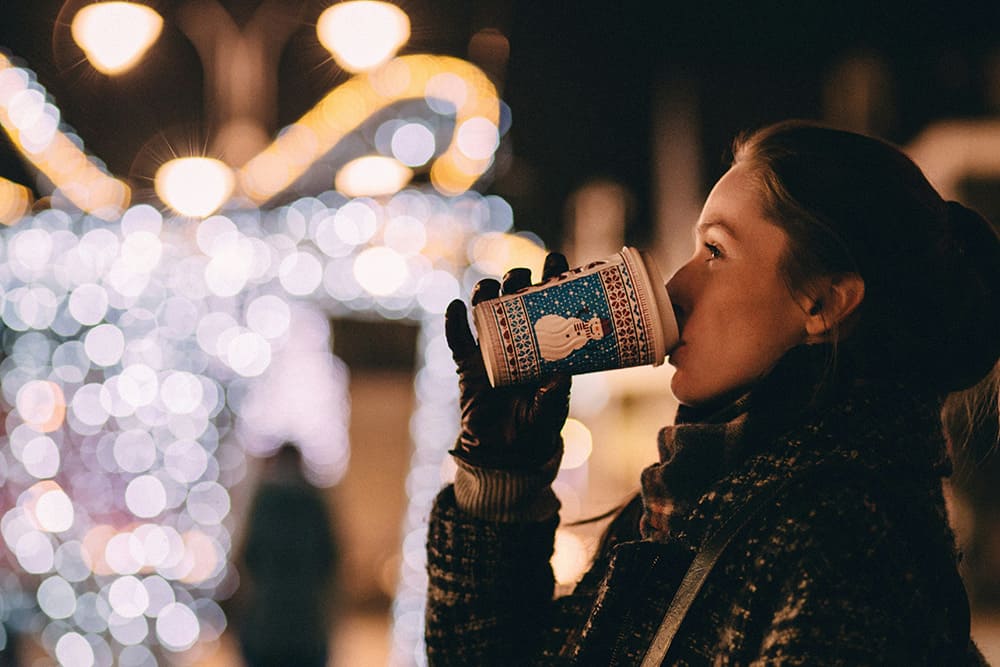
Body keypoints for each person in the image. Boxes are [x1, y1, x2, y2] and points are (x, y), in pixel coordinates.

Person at [425, 119, 1000, 665]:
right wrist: (503, 473)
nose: (675, 286)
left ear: (822, 304)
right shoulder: (694, 500)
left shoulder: (843, 544)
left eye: (716, 252)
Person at [233, 443, 339, 667]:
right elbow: (329, 557)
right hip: (304, 620)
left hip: (269, 619)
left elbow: (250, 555)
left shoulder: (265, 502)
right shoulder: (313, 502)